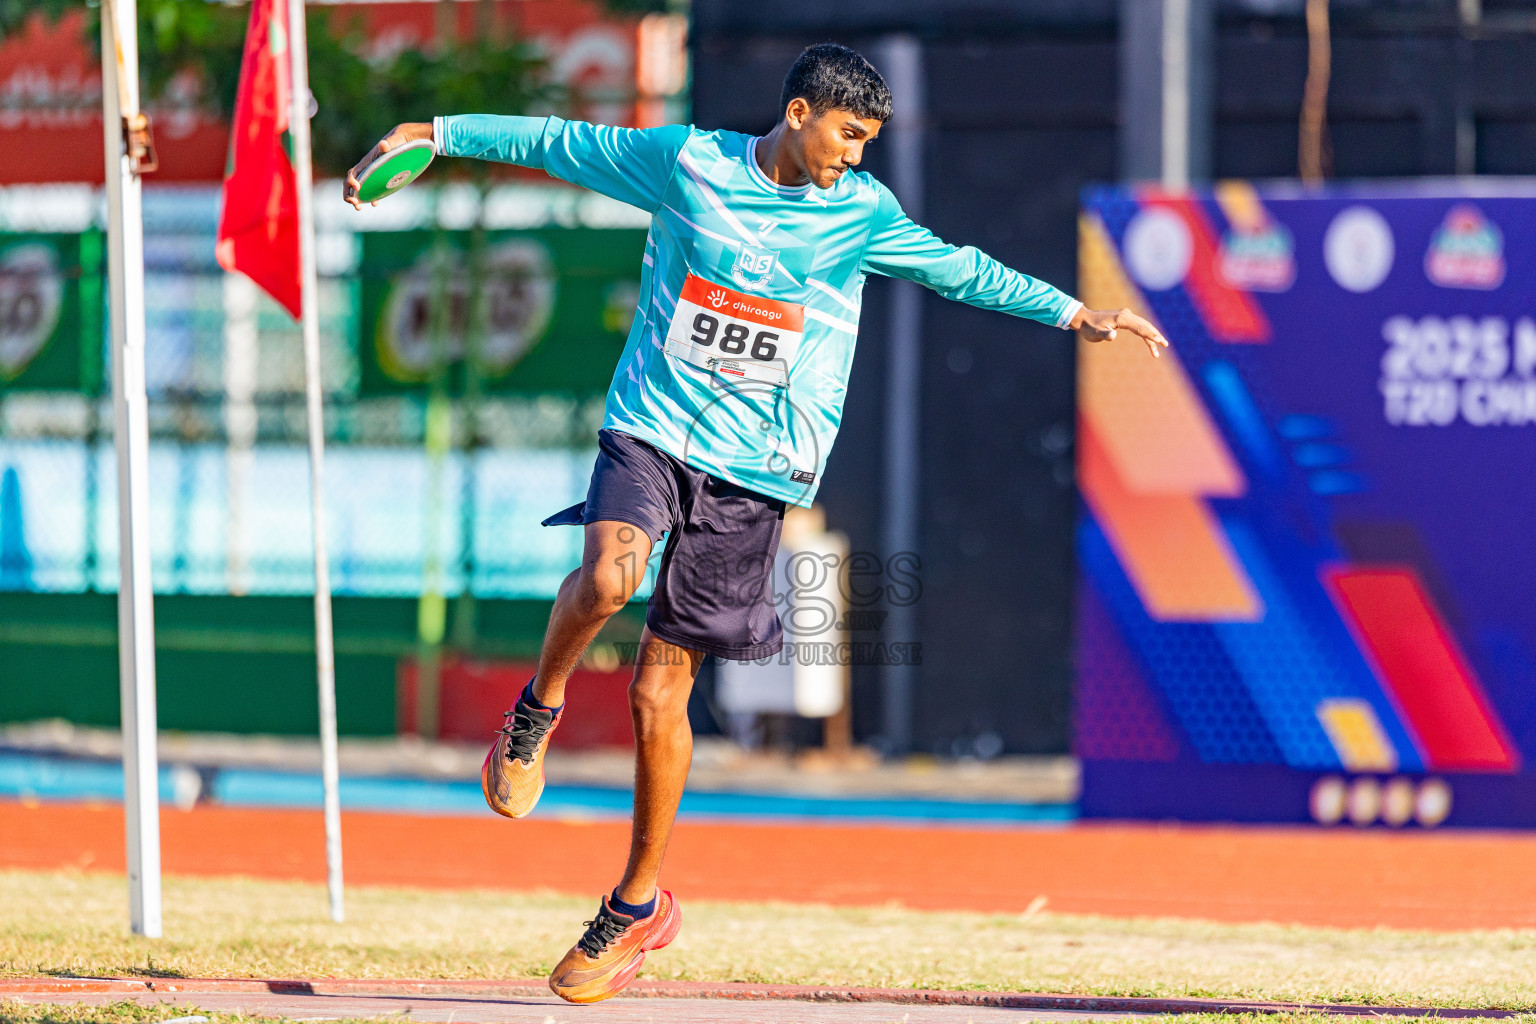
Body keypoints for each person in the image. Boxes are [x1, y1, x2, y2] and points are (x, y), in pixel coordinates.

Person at [345, 42, 1167, 1005]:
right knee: (609, 578)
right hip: (650, 426)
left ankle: (634, 907)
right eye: (848, 136)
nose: (856, 157)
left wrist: (1076, 313)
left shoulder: (861, 215)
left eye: (869, 142)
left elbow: (960, 270)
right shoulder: (689, 163)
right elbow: (560, 142)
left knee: (662, 694)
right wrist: (432, 134)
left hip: (755, 473)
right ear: (798, 111)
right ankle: (536, 710)